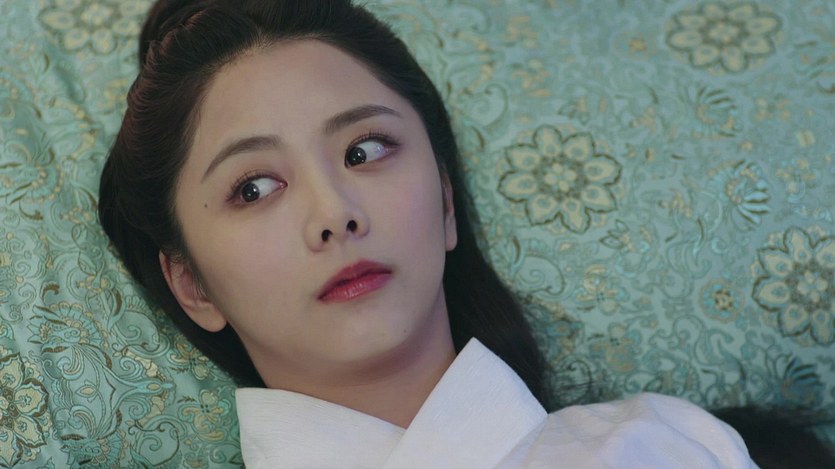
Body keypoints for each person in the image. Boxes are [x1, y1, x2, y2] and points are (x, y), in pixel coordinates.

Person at [97, 0, 784, 467]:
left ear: (447, 201)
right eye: (254, 188)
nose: (334, 213)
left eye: (364, 150)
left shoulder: (665, 442)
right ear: (191, 284)